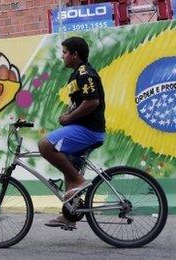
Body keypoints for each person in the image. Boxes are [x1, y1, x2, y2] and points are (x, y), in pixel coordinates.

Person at [38, 37, 106, 228]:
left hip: (89, 130)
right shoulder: (77, 74)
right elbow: (81, 101)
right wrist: (69, 114)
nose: (62, 56)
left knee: (44, 145)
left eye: (65, 52)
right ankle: (70, 215)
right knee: (69, 164)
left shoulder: (85, 73)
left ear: (75, 54)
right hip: (84, 128)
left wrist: (70, 117)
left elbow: (93, 101)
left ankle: (78, 181)